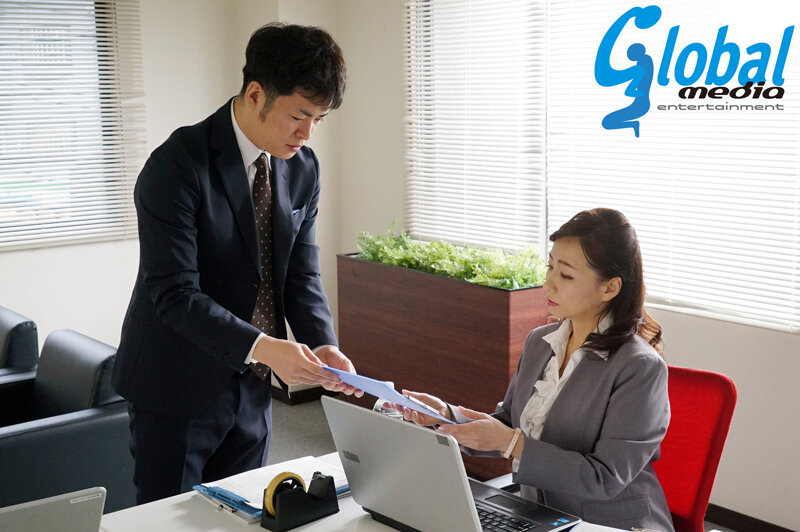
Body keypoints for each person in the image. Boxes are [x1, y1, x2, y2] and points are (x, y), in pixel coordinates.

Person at [112, 23, 361, 505]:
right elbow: (175, 295)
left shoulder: (303, 167)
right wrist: (265, 347)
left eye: (319, 119)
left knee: (245, 512)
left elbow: (301, 275)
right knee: (170, 519)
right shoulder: (176, 166)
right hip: (175, 383)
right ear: (255, 94)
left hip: (252, 383)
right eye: (298, 116)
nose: (307, 133)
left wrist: (323, 343)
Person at [396, 208, 674, 531]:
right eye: (550, 266)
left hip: (609, 525)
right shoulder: (540, 342)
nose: (548, 284)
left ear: (610, 288)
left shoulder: (640, 368)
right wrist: (445, 416)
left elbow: (605, 478)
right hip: (540, 515)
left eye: (566, 275)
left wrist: (513, 444)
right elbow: (507, 425)